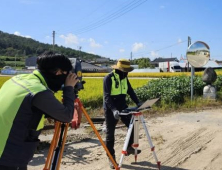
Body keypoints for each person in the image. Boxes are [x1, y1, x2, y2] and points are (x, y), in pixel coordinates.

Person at [0, 51, 79, 170]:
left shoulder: (18, 79)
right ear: (58, 72)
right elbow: (66, 116)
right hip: (8, 155)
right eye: (66, 75)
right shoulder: (39, 91)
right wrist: (69, 88)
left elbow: (23, 108)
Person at [103, 59, 142, 169]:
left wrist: (138, 102)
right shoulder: (108, 78)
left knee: (133, 124)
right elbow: (106, 97)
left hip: (123, 107)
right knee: (110, 135)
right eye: (126, 71)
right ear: (120, 70)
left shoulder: (125, 78)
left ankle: (129, 147)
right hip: (111, 110)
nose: (127, 73)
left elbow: (130, 91)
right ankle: (111, 158)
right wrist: (114, 110)